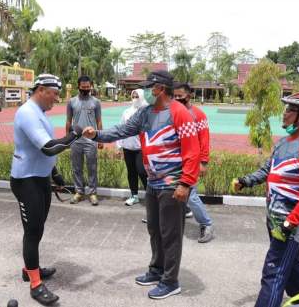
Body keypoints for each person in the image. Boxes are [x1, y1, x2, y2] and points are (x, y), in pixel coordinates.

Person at [82, 70, 200, 300]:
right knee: (154, 229)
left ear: (159, 89)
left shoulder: (180, 113)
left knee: (171, 233)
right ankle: (157, 270)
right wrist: (96, 134)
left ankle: (171, 280)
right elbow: (122, 130)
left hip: (173, 184)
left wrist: (185, 184)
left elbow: (192, 152)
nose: (145, 91)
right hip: (154, 183)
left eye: (149, 87)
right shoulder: (146, 113)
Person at [231, 92, 299, 307]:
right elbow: (268, 169)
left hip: (290, 224)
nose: (284, 114)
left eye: (289, 110)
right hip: (276, 219)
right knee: (292, 264)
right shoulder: (284, 142)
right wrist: (246, 180)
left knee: (273, 271)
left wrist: (289, 224)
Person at [11, 73, 83, 306]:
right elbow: (49, 148)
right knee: (32, 231)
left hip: (40, 178)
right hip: (26, 180)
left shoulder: (39, 113)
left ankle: (29, 268)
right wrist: (75, 134)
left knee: (38, 228)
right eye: (54, 94)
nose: (57, 99)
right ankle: (34, 284)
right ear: (41, 89)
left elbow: (40, 149)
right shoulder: (27, 113)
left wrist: (55, 174)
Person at [173, 82, 215, 243]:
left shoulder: (198, 114)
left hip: (192, 161)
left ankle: (207, 224)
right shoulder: (173, 112)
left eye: (180, 96)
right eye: (175, 96)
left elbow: (204, 140)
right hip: (176, 162)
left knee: (190, 195)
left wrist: (203, 162)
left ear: (189, 96)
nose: (177, 99)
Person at [65, 75, 103, 205]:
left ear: (91, 86)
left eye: (88, 87)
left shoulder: (96, 102)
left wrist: (100, 138)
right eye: (83, 87)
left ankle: (92, 193)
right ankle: (79, 192)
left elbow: (99, 121)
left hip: (91, 141)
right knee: (76, 167)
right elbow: (68, 121)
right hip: (76, 140)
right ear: (78, 86)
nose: (86, 89)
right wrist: (67, 139)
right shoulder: (71, 102)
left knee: (92, 167)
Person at [115, 89, 148, 206]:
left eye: (137, 96)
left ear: (142, 97)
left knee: (142, 171)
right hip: (128, 147)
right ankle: (134, 195)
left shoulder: (147, 111)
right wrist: (119, 146)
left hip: (141, 148)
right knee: (131, 172)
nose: (134, 98)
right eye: (133, 96)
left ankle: (150, 195)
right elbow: (121, 129)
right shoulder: (127, 112)